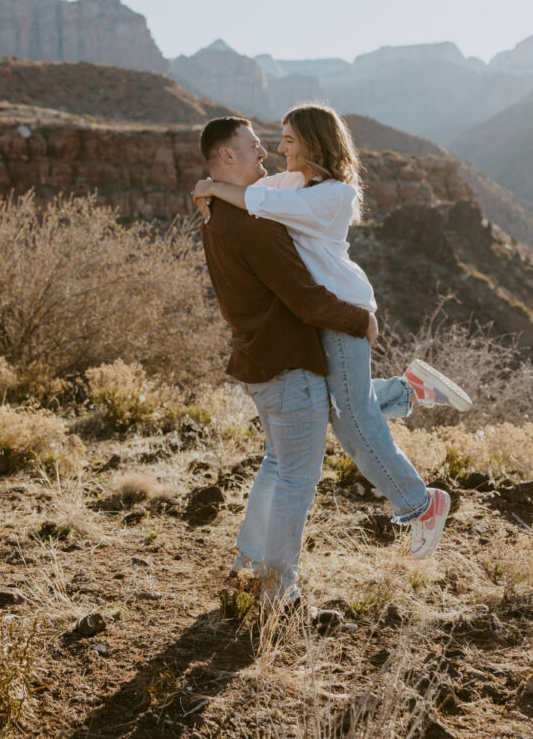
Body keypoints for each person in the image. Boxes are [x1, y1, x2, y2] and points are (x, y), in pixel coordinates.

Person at [196, 112, 470, 603]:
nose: (272, 151)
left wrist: (358, 319)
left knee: (349, 421)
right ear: (227, 155)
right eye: (264, 143)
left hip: (341, 312)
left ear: (314, 145)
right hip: (316, 324)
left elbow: (259, 209)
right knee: (337, 422)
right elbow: (255, 195)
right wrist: (209, 186)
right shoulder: (282, 188)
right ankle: (409, 393)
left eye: (283, 142)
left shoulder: (326, 194)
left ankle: (416, 504)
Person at [197, 116, 374, 609]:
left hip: (257, 356)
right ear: (227, 156)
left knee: (277, 466)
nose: (265, 153)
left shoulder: (215, 211)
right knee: (297, 478)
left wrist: (207, 185)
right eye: (253, 147)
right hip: (286, 361)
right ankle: (277, 591)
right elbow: (305, 299)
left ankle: (248, 566)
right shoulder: (253, 224)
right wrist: (360, 320)